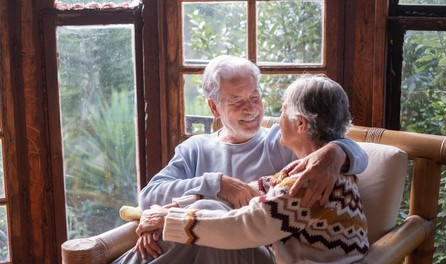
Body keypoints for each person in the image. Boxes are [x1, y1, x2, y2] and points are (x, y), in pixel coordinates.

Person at [112, 56, 368, 263]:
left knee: (207, 215)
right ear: (214, 107)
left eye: (255, 97)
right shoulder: (195, 148)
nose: (252, 109)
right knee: (207, 211)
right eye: (237, 101)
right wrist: (217, 184)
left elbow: (339, 140)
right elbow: (148, 198)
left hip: (247, 243)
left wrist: (336, 153)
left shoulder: (288, 147)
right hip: (211, 242)